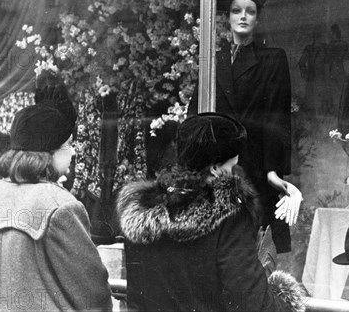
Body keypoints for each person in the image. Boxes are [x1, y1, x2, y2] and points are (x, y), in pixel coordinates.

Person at [117, 113, 305, 312]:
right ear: (215, 168)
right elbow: (252, 302)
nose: (235, 173)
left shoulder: (142, 212)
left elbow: (136, 301)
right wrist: (286, 299)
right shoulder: (229, 219)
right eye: (232, 166)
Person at [188, 0, 301, 253]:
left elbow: (277, 119)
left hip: (255, 167)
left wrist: (275, 172)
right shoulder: (213, 62)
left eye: (250, 12)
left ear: (257, 19)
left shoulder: (273, 60)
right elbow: (195, 118)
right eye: (237, 11)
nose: (243, 17)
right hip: (217, 170)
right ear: (227, 17)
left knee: (252, 248)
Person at [0, 99, 112, 311]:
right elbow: (93, 293)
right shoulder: (60, 205)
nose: (73, 152)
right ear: (48, 153)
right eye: (68, 145)